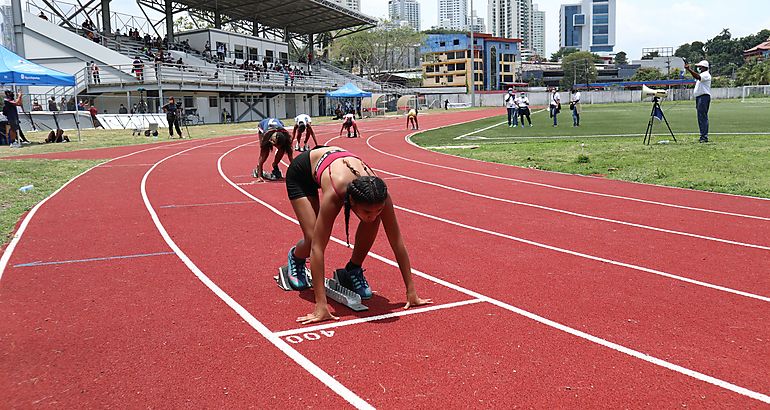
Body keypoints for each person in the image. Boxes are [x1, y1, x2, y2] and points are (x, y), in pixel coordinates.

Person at [284, 145, 432, 324]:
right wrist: (321, 306)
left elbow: (397, 242)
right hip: (303, 173)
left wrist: (411, 292)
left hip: (335, 163)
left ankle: (352, 269)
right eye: (367, 211)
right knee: (311, 238)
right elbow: (318, 247)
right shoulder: (335, 192)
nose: (373, 214)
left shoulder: (380, 195)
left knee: (373, 221)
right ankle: (296, 258)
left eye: (378, 210)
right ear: (351, 201)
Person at [686, 60, 712, 143]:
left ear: (704, 67)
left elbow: (697, 77)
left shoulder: (706, 75)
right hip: (700, 97)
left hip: (703, 97)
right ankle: (703, 135)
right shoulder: (702, 74)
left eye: (700, 66)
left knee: (702, 117)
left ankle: (704, 136)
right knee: (701, 117)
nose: (699, 68)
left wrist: (689, 70)